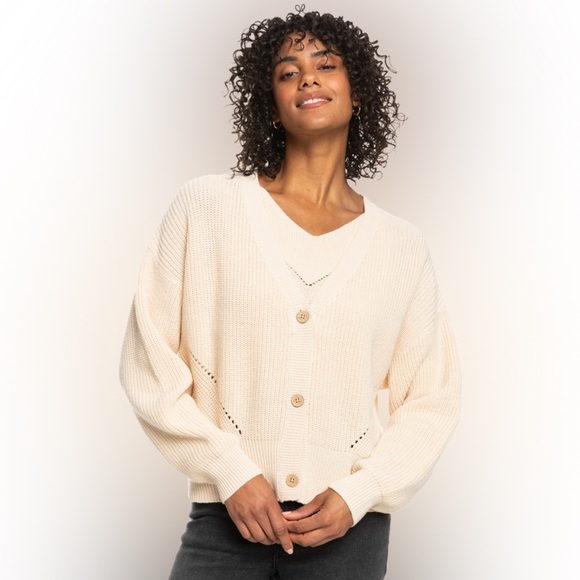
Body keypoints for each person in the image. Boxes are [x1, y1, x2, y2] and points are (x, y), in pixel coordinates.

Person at [120, 7, 461, 580]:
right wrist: (229, 470)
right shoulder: (207, 209)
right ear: (271, 104)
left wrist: (361, 491)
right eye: (287, 71)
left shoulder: (401, 247)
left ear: (357, 93)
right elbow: (149, 362)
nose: (307, 78)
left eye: (325, 65)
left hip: (349, 536)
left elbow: (431, 399)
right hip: (224, 527)